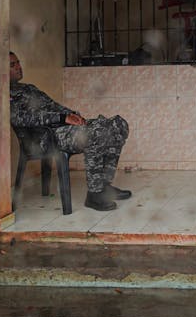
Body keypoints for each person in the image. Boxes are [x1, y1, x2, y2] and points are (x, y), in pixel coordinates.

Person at [9, 52, 131, 211]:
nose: (18, 67)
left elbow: (54, 105)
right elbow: (22, 119)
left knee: (118, 126)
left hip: (64, 130)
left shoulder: (28, 88)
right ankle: (95, 194)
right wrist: (61, 118)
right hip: (45, 138)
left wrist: (73, 115)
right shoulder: (5, 95)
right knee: (94, 133)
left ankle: (104, 185)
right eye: (13, 65)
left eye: (18, 62)